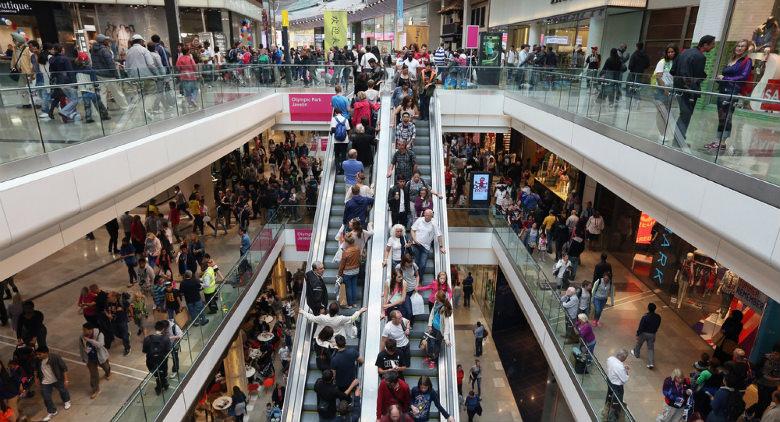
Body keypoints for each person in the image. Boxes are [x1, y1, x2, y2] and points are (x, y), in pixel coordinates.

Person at [670, 35, 716, 146]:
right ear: (705, 45)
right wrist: (701, 78)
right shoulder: (700, 57)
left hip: (678, 88)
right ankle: (678, 141)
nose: (714, 46)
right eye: (712, 44)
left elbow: (672, 71)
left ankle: (679, 139)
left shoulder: (684, 52)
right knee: (686, 115)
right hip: (689, 91)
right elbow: (698, 76)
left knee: (683, 114)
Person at [708, 39, 752, 152]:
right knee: (721, 117)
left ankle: (723, 142)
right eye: (738, 45)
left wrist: (726, 78)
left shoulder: (747, 61)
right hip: (722, 90)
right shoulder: (732, 60)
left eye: (742, 46)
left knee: (727, 117)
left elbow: (744, 76)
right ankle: (718, 140)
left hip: (732, 91)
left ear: (746, 49)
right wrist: (720, 78)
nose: (739, 48)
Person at [35, 346, 71, 421]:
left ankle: (66, 401)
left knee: (62, 390)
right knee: (46, 396)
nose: (38, 356)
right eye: (37, 354)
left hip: (57, 378)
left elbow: (64, 368)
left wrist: (66, 380)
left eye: (40, 354)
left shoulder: (55, 357)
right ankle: (52, 411)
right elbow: (36, 369)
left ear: (46, 353)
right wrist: (36, 379)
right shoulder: (38, 360)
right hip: (45, 381)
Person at [652, 44, 678, 141]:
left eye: (672, 51)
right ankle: (662, 134)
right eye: (669, 52)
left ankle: (664, 133)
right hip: (661, 90)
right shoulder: (662, 62)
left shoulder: (676, 62)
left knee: (665, 112)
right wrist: (665, 89)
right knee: (661, 113)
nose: (670, 53)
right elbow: (658, 77)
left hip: (671, 90)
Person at [300, 302, 367, 340]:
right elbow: (352, 318)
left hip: (327, 337)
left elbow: (312, 318)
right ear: (337, 311)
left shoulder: (323, 318)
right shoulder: (340, 318)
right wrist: (360, 311)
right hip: (338, 338)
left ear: (328, 309)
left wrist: (303, 312)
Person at [79, 322, 111, 399]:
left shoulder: (100, 334)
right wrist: (83, 358)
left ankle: (108, 373)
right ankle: (96, 390)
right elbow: (81, 348)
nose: (83, 331)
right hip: (90, 358)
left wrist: (89, 340)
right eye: (83, 330)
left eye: (85, 330)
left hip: (100, 356)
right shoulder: (81, 337)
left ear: (90, 330)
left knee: (106, 367)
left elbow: (100, 345)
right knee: (94, 375)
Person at [410, 209, 445, 277]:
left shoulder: (433, 223)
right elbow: (412, 230)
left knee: (422, 264)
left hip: (425, 247)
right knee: (416, 263)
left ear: (431, 216)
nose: (426, 216)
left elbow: (439, 235)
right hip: (416, 245)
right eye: (425, 214)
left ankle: (420, 278)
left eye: (428, 215)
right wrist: (415, 239)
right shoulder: (420, 220)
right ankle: (415, 278)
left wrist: (441, 247)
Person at [143, 320, 172, 395]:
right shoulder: (166, 339)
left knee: (156, 375)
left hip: (150, 362)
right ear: (163, 329)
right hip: (162, 361)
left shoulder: (147, 339)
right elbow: (169, 350)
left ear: (155, 328)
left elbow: (144, 351)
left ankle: (160, 387)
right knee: (162, 374)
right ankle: (163, 385)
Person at [425, 291, 452, 368]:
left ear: (439, 298)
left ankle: (433, 360)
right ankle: (430, 357)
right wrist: (430, 325)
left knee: (436, 345)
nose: (434, 296)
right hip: (433, 327)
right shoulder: (436, 303)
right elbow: (432, 314)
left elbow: (446, 325)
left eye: (436, 296)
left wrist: (446, 339)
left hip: (439, 331)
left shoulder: (444, 309)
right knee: (430, 342)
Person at [632, 302, 661, 369]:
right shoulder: (658, 317)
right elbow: (658, 325)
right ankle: (650, 363)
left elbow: (641, 326)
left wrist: (638, 334)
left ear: (648, 308)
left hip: (644, 333)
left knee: (639, 344)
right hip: (652, 334)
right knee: (650, 348)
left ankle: (636, 354)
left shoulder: (645, 317)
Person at [338, 233, 362, 308]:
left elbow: (342, 265)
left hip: (347, 272)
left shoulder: (346, 252)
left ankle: (350, 304)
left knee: (348, 288)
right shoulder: (358, 248)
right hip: (356, 270)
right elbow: (359, 259)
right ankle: (354, 303)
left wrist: (340, 273)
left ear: (347, 242)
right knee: (354, 286)